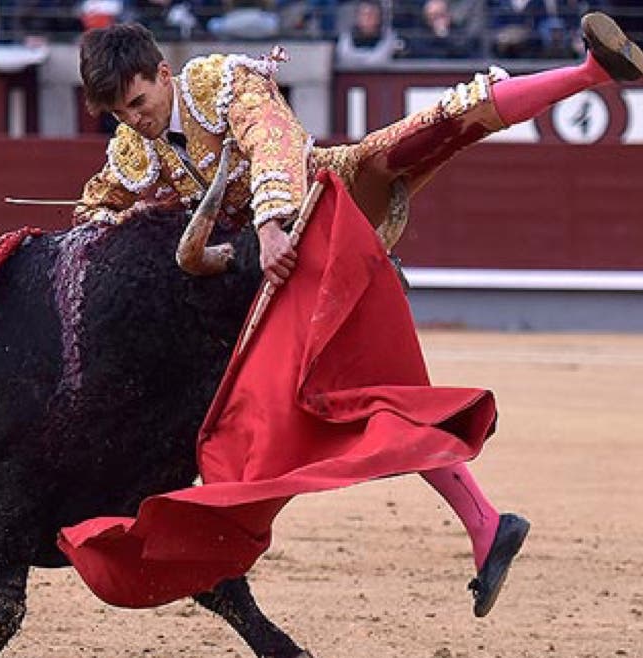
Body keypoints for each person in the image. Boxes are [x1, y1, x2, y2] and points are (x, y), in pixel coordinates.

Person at [73, 15, 643, 618]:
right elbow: (94, 213)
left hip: (325, 208)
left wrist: (268, 223)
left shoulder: (220, 82)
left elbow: (273, 140)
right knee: (364, 402)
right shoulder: (134, 150)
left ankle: (590, 71)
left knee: (432, 127)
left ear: (164, 74)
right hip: (267, 281)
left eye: (137, 101)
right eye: (118, 113)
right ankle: (487, 524)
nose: (133, 118)